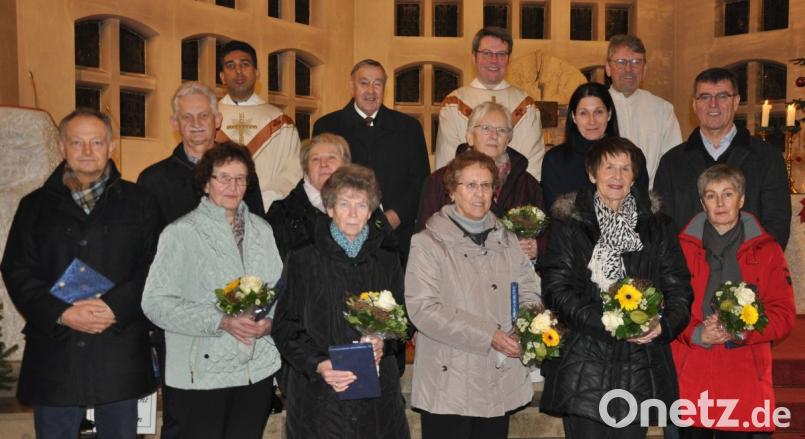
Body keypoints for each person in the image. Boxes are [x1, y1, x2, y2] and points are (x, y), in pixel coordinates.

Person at [1, 108, 158, 438]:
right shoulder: (34, 205)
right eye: (77, 142)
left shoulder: (140, 201)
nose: (87, 151)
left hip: (118, 346)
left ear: (111, 146)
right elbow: (17, 269)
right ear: (62, 147)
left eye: (96, 142)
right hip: (57, 350)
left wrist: (114, 306)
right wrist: (62, 313)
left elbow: (155, 266)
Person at [137, 81, 267, 438]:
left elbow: (257, 249)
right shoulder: (153, 180)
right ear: (174, 122)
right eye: (187, 117)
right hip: (186, 330)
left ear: (217, 119)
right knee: (188, 425)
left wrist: (254, 312)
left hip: (243, 331)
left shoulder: (243, 174)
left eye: (204, 116)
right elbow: (146, 255)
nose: (196, 123)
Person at [538, 137, 692, 438]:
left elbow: (679, 287)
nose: (617, 176)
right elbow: (557, 290)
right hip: (585, 364)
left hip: (641, 364)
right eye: (609, 167)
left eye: (625, 168)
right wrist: (609, 324)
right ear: (592, 173)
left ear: (635, 175)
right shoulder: (572, 223)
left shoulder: (656, 225)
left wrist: (661, 326)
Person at [405, 150, 540, 439]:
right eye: (470, 185)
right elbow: (423, 309)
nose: (479, 193)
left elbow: (530, 290)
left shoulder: (509, 239)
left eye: (486, 185)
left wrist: (524, 329)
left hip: (498, 378)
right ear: (452, 191)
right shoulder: (427, 243)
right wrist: (489, 335)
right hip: (449, 384)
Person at [272, 164, 410, 439]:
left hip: (377, 398)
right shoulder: (303, 258)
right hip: (319, 397)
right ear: (329, 208)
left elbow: (404, 322)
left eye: (361, 205)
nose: (352, 213)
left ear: (371, 212)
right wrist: (319, 364)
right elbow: (285, 326)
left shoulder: (387, 258)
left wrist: (386, 342)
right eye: (344, 204)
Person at [671, 165, 795, 438]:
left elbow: (784, 314)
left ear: (741, 199)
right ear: (702, 202)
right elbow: (668, 310)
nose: (720, 203)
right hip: (693, 368)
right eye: (711, 195)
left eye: (728, 194)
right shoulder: (679, 248)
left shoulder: (767, 250)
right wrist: (697, 332)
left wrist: (743, 329)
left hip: (744, 372)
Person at [655, 67, 791, 248]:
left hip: (749, 271)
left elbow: (777, 223)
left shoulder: (767, 157)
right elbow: (662, 227)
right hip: (688, 271)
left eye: (722, 96)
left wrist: (747, 270)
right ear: (694, 104)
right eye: (704, 97)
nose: (713, 104)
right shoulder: (672, 162)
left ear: (736, 102)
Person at [312, 59, 430, 265]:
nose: (371, 90)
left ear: (385, 86)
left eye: (377, 83)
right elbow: (320, 180)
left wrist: (397, 214)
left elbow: (421, 180)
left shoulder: (409, 128)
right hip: (342, 231)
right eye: (364, 83)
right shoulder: (328, 126)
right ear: (352, 85)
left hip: (397, 235)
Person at [417, 101, 544, 261]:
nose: (494, 135)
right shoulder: (439, 181)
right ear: (470, 137)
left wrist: (535, 248)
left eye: (501, 130)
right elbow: (424, 238)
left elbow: (545, 236)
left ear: (508, 140)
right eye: (485, 128)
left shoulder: (527, 185)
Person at [435, 27, 545, 180]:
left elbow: (533, 164)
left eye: (501, 54)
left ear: (508, 59)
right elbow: (447, 161)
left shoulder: (526, 105)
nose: (494, 60)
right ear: (474, 57)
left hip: (515, 196)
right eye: (486, 53)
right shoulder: (454, 104)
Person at [265, 132, 395, 260]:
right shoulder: (282, 212)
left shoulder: (366, 206)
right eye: (315, 159)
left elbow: (390, 256)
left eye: (331, 158)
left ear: (345, 166)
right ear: (306, 169)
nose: (323, 164)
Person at [215, 40, 302, 209]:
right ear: (222, 77)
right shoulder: (208, 120)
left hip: (267, 213)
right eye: (231, 66)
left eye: (245, 64)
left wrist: (262, 203)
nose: (238, 71)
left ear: (257, 73)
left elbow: (292, 172)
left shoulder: (280, 122)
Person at [541, 82, 648, 210]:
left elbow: (641, 208)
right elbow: (554, 215)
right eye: (583, 113)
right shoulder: (554, 160)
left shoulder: (631, 156)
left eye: (599, 112)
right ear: (574, 117)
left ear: (609, 114)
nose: (592, 121)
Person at [606, 34, 682, 186]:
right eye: (621, 62)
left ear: (644, 69)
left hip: (649, 201)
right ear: (608, 68)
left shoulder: (662, 110)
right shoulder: (596, 108)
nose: (629, 69)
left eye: (636, 62)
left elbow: (673, 163)